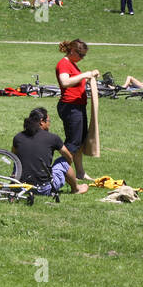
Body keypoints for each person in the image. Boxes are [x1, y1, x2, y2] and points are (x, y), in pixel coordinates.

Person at [12, 108, 88, 196]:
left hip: (20, 186)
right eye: (48, 121)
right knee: (63, 162)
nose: (49, 124)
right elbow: (69, 157)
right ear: (41, 122)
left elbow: (14, 157)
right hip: (43, 189)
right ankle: (76, 189)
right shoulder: (53, 138)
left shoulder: (18, 137)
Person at [55, 39, 100, 182]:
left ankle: (80, 173)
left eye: (84, 56)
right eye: (81, 55)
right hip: (70, 107)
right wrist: (84, 75)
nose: (82, 58)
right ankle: (58, 173)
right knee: (72, 143)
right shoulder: (63, 64)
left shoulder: (73, 64)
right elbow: (65, 82)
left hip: (78, 107)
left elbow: (76, 82)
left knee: (80, 142)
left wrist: (89, 77)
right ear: (73, 51)